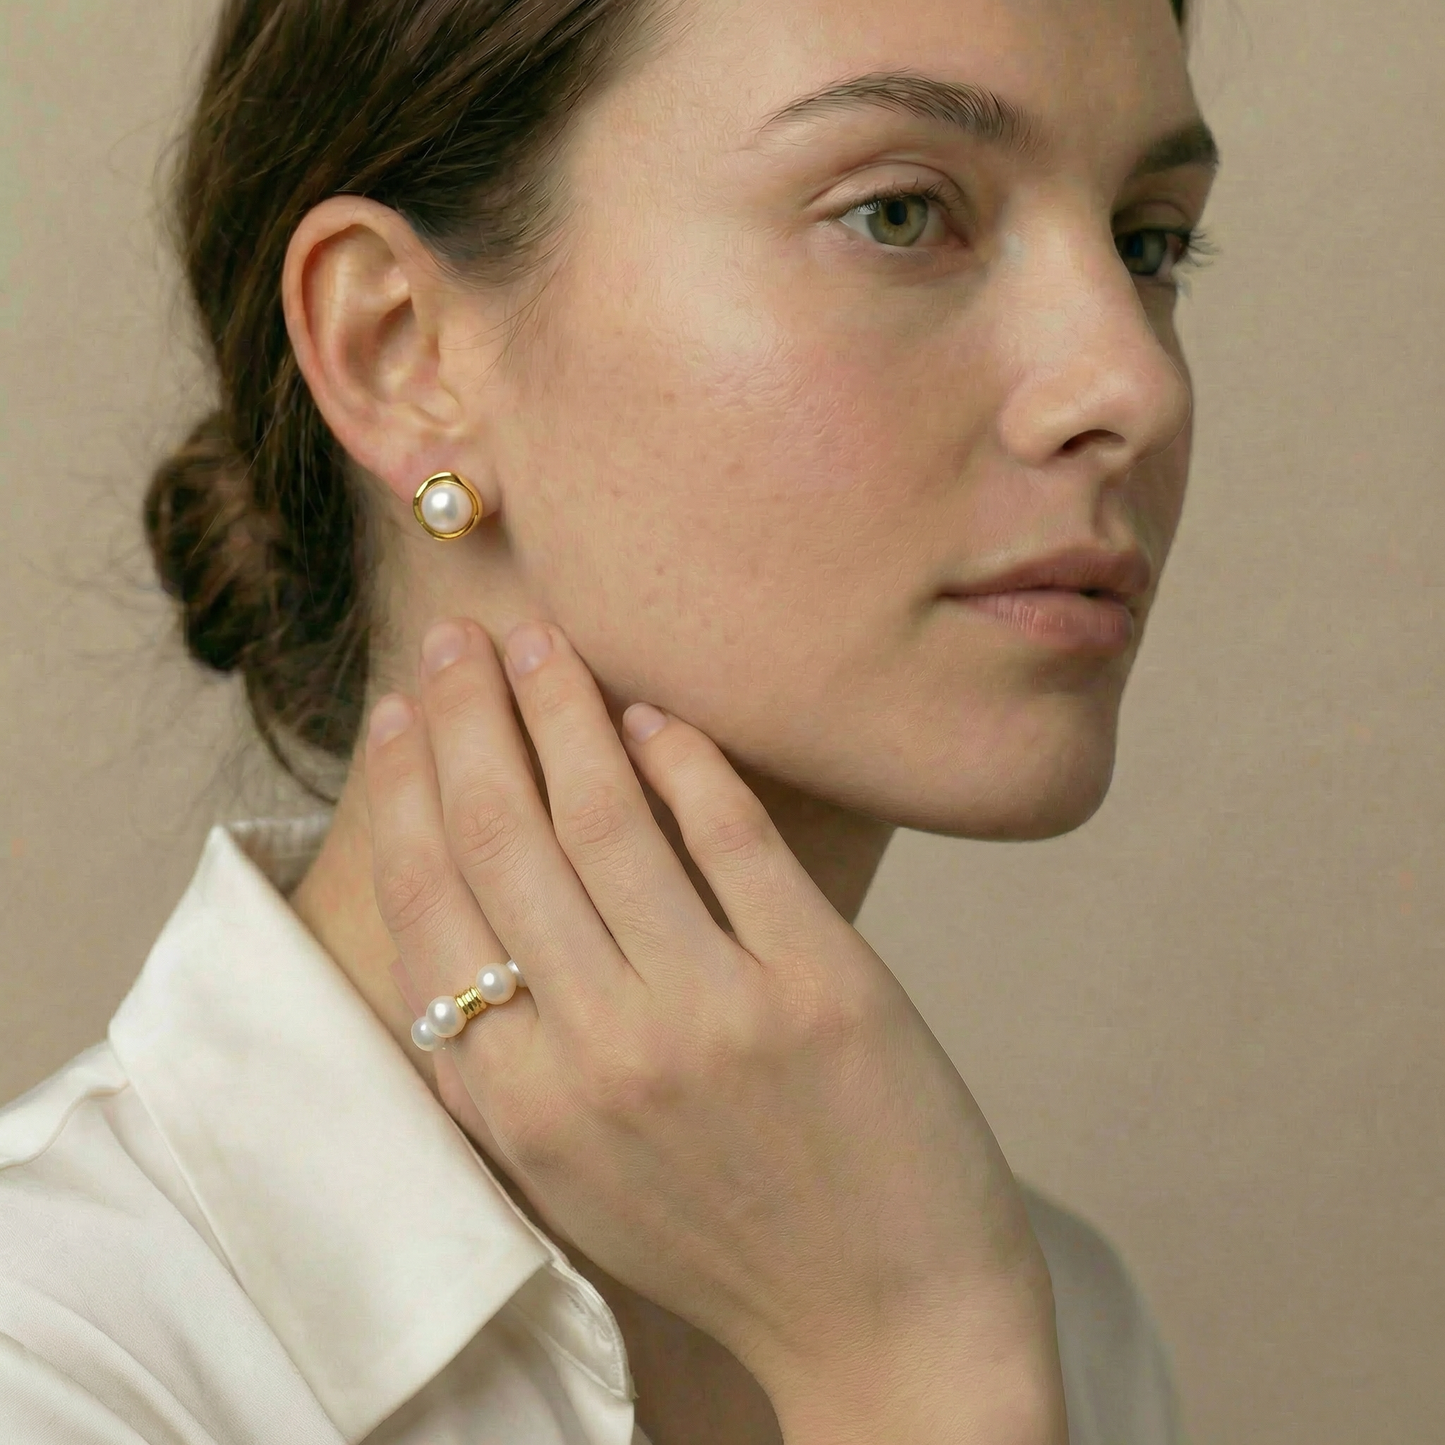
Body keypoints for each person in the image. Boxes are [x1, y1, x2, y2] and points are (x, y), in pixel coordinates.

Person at [0, 0, 1218, 1439]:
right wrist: (908, 1369)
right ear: (400, 350)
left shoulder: (1050, 1315)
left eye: (1148, 243)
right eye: (898, 213)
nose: (1132, 386)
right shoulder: (57, 1361)